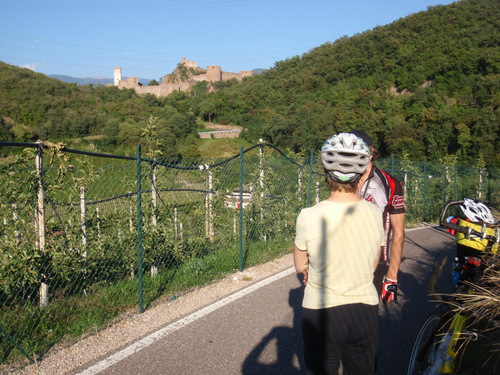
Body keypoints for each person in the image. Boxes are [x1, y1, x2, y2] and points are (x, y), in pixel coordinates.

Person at [293, 132, 385, 375]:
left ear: (325, 172)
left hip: (321, 310)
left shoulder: (308, 215)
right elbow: (374, 263)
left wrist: (307, 270)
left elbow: (300, 263)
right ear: (364, 173)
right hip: (364, 308)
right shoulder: (375, 213)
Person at [349, 129, 406, 304]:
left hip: (374, 259)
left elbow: (398, 233)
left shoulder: (390, 183)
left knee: (365, 318)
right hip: (342, 255)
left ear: (371, 153)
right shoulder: (341, 179)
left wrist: (392, 276)